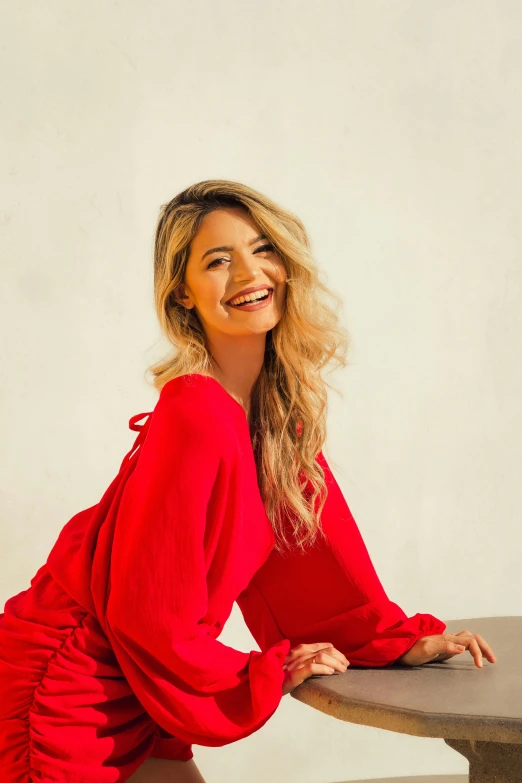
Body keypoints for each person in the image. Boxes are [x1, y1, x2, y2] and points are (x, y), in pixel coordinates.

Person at [0, 180, 496, 783]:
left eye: (263, 249)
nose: (248, 272)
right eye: (217, 260)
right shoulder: (196, 410)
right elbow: (146, 611)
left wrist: (391, 641)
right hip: (72, 684)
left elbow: (315, 563)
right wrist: (257, 674)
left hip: (136, 679)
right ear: (182, 292)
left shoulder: (273, 418)